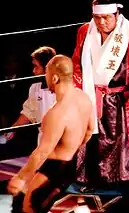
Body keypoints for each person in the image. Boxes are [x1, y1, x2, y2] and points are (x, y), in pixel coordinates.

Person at [72, 0, 129, 212]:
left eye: (106, 18)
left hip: (122, 101)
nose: (101, 23)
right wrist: (76, 91)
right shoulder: (85, 30)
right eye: (97, 18)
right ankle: (94, 182)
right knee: (91, 144)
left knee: (128, 154)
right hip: (92, 96)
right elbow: (77, 64)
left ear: (117, 14)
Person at [7, 55, 94, 213]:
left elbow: (42, 152)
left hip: (53, 167)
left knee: (28, 208)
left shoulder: (56, 113)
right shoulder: (84, 98)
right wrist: (71, 146)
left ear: (54, 77)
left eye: (46, 73)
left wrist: (21, 177)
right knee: (22, 202)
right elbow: (90, 130)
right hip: (71, 163)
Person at [1, 46, 56, 156]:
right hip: (42, 143)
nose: (33, 71)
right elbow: (28, 113)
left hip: (61, 143)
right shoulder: (35, 87)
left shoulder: (62, 88)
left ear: (47, 67)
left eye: (36, 67)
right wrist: (10, 132)